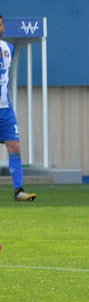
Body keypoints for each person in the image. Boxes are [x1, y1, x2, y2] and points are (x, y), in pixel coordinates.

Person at [0, 15, 37, 202]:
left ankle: (19, 190)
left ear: (3, 27)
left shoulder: (8, 49)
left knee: (14, 146)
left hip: (5, 109)